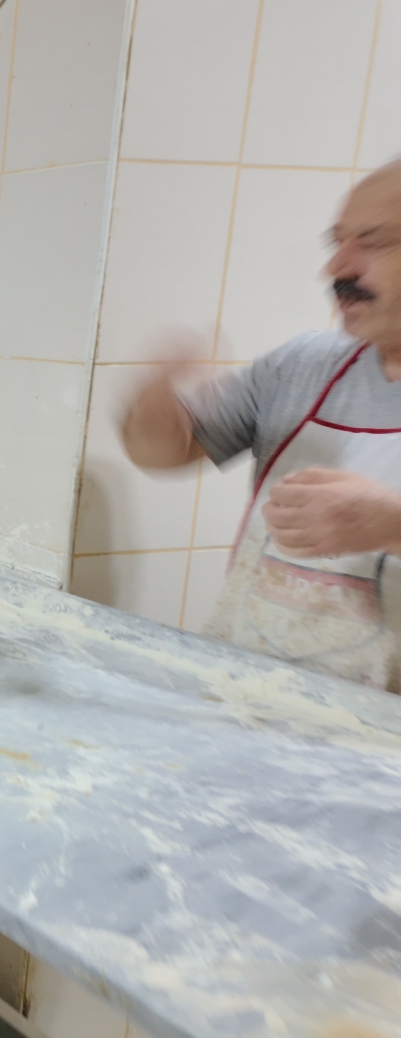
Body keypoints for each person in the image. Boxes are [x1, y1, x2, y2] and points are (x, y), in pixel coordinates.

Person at [122, 161, 401, 692]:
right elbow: (161, 453)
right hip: (252, 691)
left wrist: (392, 525)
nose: (336, 267)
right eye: (337, 242)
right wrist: (155, 398)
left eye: (374, 242)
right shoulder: (302, 366)